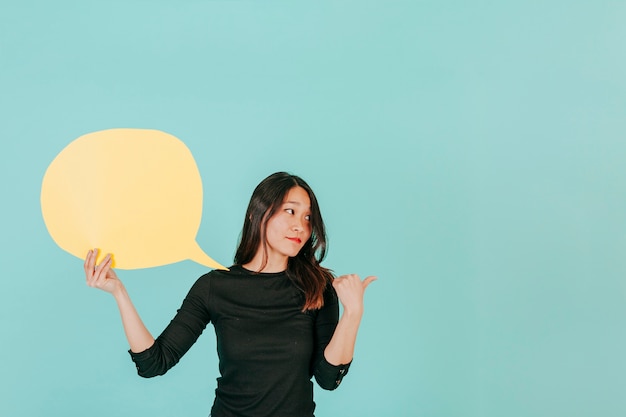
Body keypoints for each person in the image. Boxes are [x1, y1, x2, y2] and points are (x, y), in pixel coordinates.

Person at [84, 171, 375, 417]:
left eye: (308, 216)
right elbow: (153, 363)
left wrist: (353, 314)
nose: (301, 225)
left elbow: (327, 378)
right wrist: (119, 293)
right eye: (290, 210)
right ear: (257, 213)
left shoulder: (318, 287)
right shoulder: (214, 286)